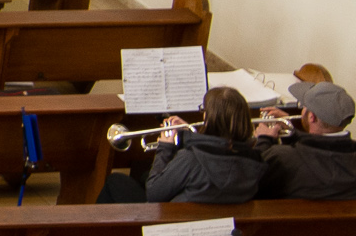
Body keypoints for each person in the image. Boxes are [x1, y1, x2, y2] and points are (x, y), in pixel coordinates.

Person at [104, 85, 265, 205]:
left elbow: (153, 195)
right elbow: (219, 150)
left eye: (204, 111)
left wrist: (164, 148)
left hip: (171, 222)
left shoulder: (190, 159)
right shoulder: (254, 158)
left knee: (115, 181)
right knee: (144, 174)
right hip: (217, 218)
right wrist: (189, 135)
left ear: (209, 119)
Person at [254, 80, 356, 201]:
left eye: (303, 106)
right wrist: (293, 134)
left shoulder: (283, 157)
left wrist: (263, 140)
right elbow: (321, 154)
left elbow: (251, 181)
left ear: (312, 117)